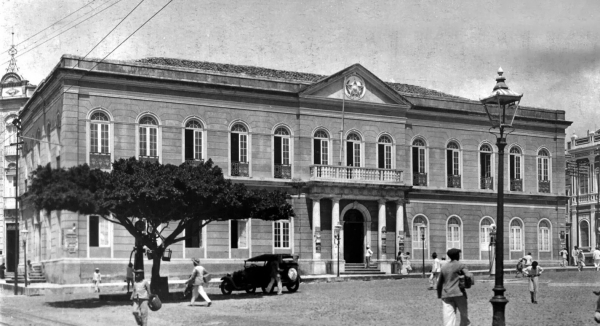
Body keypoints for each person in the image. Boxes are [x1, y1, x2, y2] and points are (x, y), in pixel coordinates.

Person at [437, 248, 472, 326]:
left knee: (448, 318)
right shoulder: (460, 265)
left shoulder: (444, 267)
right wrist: (468, 284)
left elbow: (439, 283)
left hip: (446, 295)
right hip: (459, 294)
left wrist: (439, 294)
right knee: (464, 316)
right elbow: (468, 276)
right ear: (457, 255)